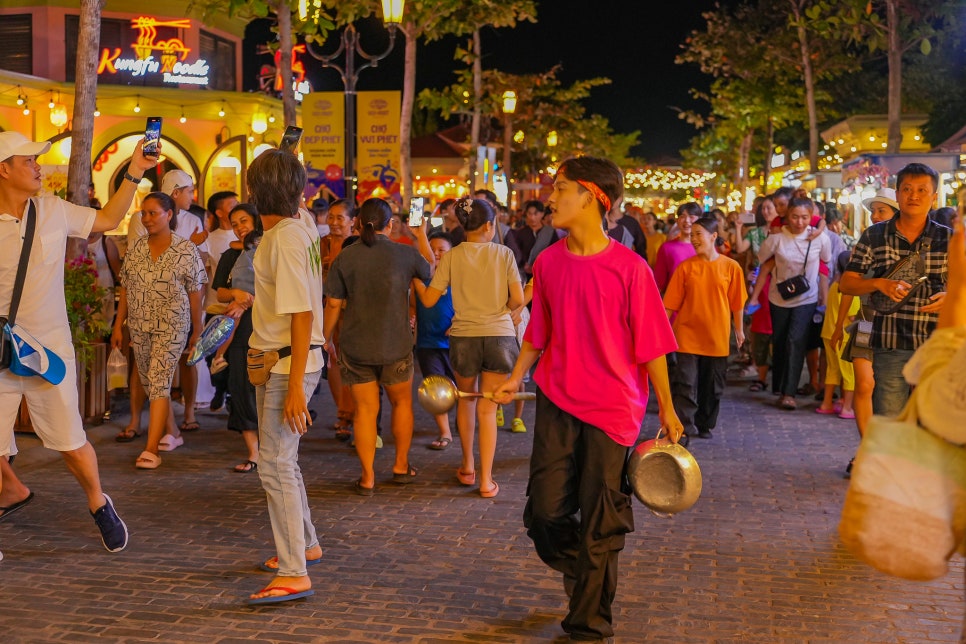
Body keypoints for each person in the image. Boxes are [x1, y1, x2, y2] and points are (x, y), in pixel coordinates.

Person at [493, 156, 684, 642]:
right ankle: (588, 576)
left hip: (614, 411)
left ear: (592, 198)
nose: (550, 198)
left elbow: (653, 345)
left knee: (602, 519)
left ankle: (589, 623)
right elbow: (539, 331)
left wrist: (668, 407)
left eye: (560, 188)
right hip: (557, 400)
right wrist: (516, 377)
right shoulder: (549, 262)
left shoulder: (631, 268)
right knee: (545, 514)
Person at [0, 129, 157, 552]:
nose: (38, 167)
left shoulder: (51, 210)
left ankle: (98, 501)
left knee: (70, 442)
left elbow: (106, 221)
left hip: (47, 351)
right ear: (4, 170)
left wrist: (135, 172)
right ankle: (11, 491)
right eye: (29, 160)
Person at [245, 149, 327, 604]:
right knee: (282, 463)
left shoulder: (284, 239)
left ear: (257, 194)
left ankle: (294, 569)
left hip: (285, 366)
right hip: (282, 362)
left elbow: (301, 314)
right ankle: (305, 545)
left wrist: (295, 386)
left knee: (275, 465)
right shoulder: (299, 227)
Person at [413, 197, 524, 498]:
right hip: (499, 337)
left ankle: (467, 467)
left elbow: (429, 300)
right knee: (489, 409)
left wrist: (416, 281)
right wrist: (503, 306)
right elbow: (517, 300)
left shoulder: (451, 257)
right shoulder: (504, 254)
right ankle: (487, 481)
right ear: (489, 226)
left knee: (466, 400)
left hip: (463, 337)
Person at [323, 198, 432, 495]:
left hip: (356, 346)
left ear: (357, 224)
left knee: (365, 411)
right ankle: (400, 465)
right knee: (402, 404)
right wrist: (419, 235)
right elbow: (430, 271)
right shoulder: (405, 254)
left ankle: (368, 476)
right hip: (395, 344)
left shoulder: (345, 257)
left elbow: (333, 303)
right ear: (391, 224)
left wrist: (324, 337)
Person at [840, 164, 950, 418]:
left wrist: (952, 296)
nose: (914, 196)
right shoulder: (874, 236)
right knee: (889, 420)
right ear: (898, 195)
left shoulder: (950, 239)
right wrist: (879, 284)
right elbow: (847, 283)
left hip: (935, 342)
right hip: (889, 340)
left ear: (934, 198)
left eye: (922, 190)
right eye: (907, 189)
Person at [111, 191, 206, 469]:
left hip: (172, 324)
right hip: (139, 325)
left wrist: (197, 330)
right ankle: (172, 432)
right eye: (144, 213)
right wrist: (119, 325)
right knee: (152, 382)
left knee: (160, 379)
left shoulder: (185, 249)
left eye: (153, 213)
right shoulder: (137, 248)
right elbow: (126, 288)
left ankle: (151, 449)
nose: (147, 218)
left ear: (169, 215)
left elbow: (196, 293)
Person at [664, 216, 746, 440]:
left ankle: (705, 423)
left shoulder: (731, 267)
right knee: (685, 383)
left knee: (712, 386)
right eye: (692, 235)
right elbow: (669, 304)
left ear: (713, 236)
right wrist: (660, 330)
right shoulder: (685, 268)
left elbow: (737, 302)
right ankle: (685, 427)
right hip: (687, 334)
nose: (694, 239)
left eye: (699, 234)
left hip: (717, 335)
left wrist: (739, 330)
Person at [758, 195, 832, 410]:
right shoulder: (777, 237)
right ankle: (780, 387)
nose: (800, 222)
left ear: (812, 217)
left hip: (806, 299)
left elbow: (826, 259)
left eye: (804, 217)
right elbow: (762, 257)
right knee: (780, 342)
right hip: (778, 298)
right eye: (795, 217)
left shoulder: (820, 238)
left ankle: (789, 393)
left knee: (795, 341)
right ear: (787, 216)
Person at [211, 203, 261, 473]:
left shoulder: (269, 249)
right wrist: (236, 296)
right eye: (235, 223)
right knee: (241, 388)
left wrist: (248, 299)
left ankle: (273, 449)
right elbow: (219, 291)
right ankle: (254, 452)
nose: (241, 227)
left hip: (268, 328)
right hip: (240, 332)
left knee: (267, 391)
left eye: (244, 221)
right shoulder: (230, 255)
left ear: (255, 221)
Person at [411, 231, 456, 451]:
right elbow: (412, 305)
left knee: (460, 388)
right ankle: (445, 432)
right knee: (436, 387)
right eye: (432, 249)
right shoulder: (419, 278)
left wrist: (458, 321)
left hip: (456, 343)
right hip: (428, 343)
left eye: (441, 250)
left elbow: (469, 305)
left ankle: (461, 422)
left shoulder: (459, 278)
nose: (436, 254)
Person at [319, 199, 357, 441]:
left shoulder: (358, 245)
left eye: (339, 218)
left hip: (353, 310)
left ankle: (354, 412)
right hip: (327, 307)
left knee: (352, 361)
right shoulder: (320, 244)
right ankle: (343, 412)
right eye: (330, 217)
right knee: (333, 360)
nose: (333, 222)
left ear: (353, 222)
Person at [817, 251, 860, 419]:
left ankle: (826, 403)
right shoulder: (851, 288)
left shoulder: (835, 285)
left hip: (828, 333)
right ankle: (847, 407)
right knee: (849, 373)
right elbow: (852, 316)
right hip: (844, 336)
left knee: (832, 370)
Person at [653, 201, 700, 293]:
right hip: (674, 302)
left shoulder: (706, 246)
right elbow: (659, 283)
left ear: (699, 220)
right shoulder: (667, 248)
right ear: (677, 221)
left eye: (691, 217)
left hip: (701, 301)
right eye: (682, 216)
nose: (686, 220)